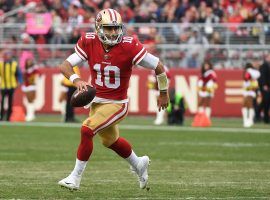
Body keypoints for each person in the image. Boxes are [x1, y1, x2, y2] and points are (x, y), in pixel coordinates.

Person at [58, 9, 169, 190]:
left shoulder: (129, 45)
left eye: (116, 28)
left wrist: (163, 92)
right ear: (98, 27)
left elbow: (158, 66)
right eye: (108, 28)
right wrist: (76, 80)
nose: (113, 33)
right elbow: (65, 65)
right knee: (110, 141)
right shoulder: (89, 41)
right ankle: (139, 164)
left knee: (87, 129)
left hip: (117, 104)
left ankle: (74, 178)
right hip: (97, 101)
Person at [0, 50, 23, 121]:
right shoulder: (1, 64)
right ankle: (1, 116)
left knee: (10, 102)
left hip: (12, 86)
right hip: (3, 85)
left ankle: (8, 117)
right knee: (2, 102)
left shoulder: (14, 64)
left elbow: (19, 74)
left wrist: (20, 81)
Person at [242, 63, 260, 128]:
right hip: (250, 91)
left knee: (248, 105)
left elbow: (246, 78)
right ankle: (248, 120)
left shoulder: (248, 72)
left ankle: (248, 120)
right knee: (248, 106)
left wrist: (249, 78)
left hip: (249, 91)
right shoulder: (255, 72)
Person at [258, 54, 270, 124]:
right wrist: (264, 85)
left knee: (265, 102)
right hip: (265, 87)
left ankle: (259, 115)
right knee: (266, 102)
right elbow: (262, 76)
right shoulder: (264, 65)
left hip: (268, 87)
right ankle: (265, 118)